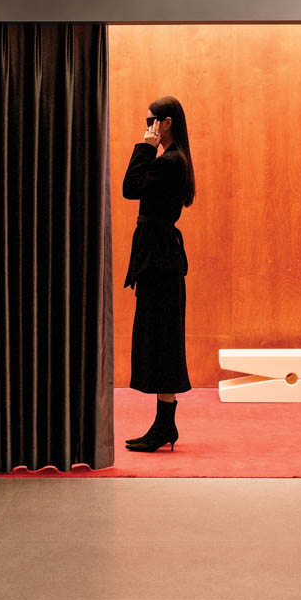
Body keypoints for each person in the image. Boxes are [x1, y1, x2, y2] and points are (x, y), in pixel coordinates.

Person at [121, 95, 195, 453]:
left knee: (162, 340)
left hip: (160, 259)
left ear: (166, 123)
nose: (148, 126)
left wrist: (143, 148)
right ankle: (165, 426)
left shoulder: (169, 161)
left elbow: (129, 187)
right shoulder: (173, 160)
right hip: (159, 257)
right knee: (160, 339)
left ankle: (165, 426)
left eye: (152, 120)